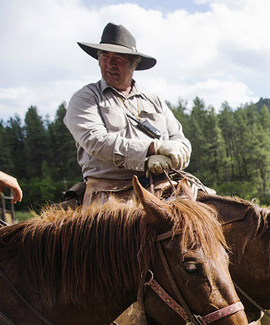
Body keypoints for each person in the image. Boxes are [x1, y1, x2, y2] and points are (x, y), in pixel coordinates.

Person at [64, 23, 192, 205]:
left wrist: (176, 154)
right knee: (123, 232)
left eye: (118, 58)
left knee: (216, 216)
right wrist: (152, 150)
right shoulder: (85, 98)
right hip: (110, 192)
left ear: (134, 63)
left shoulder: (154, 101)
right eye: (104, 56)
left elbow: (179, 139)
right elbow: (95, 141)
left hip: (166, 184)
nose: (109, 64)